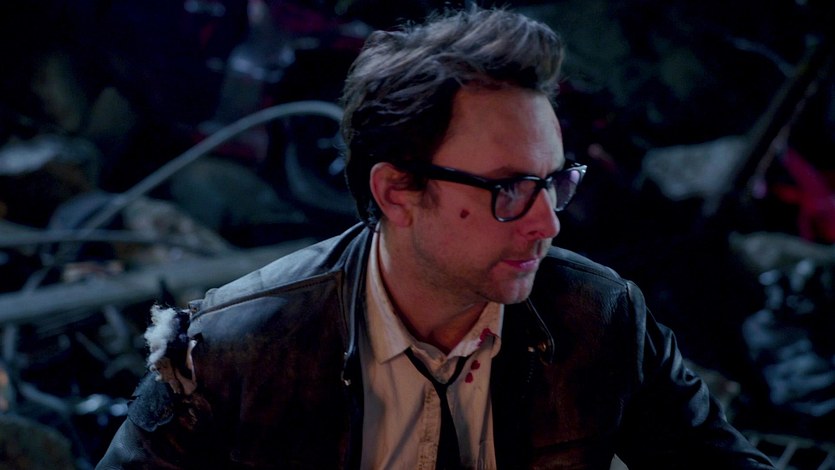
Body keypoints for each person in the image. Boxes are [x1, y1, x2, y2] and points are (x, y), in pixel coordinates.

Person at [97, 6, 775, 469]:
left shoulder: (601, 318)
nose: (548, 222)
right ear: (397, 192)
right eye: (508, 188)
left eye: (554, 182)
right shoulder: (230, 350)